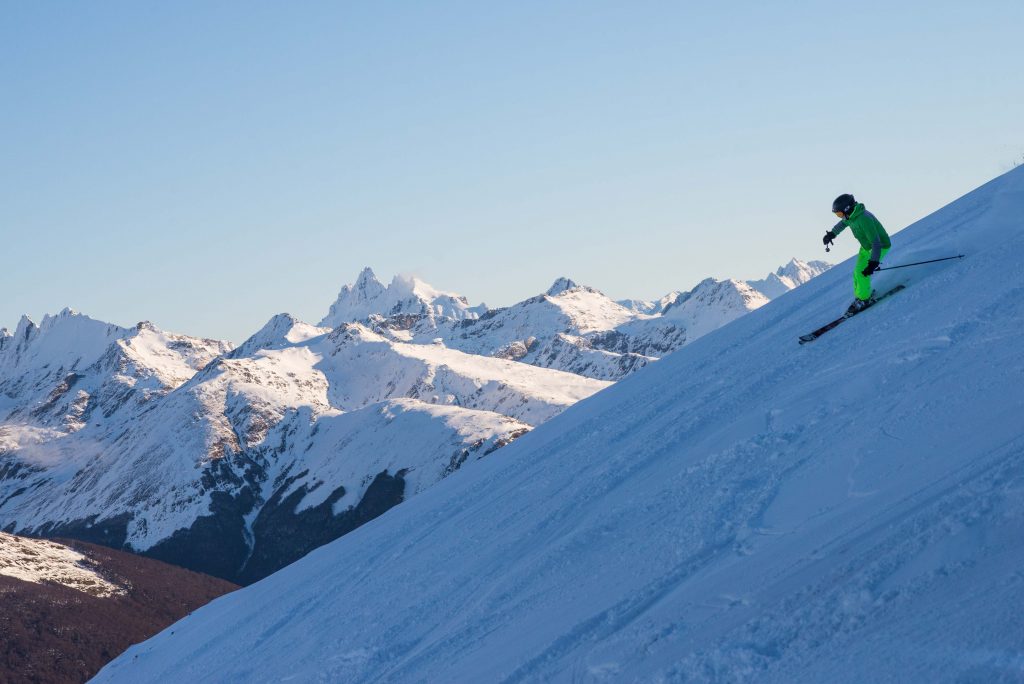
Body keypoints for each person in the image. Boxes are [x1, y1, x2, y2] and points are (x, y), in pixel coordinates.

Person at [823, 194, 892, 314]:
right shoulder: (851, 216)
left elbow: (876, 243)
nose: (840, 217)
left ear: (847, 209)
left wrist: (873, 263)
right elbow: (843, 223)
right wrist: (832, 234)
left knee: (862, 273)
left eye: (839, 214)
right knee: (857, 273)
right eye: (837, 215)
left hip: (879, 247)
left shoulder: (864, 219)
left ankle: (865, 299)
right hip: (866, 248)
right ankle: (862, 296)